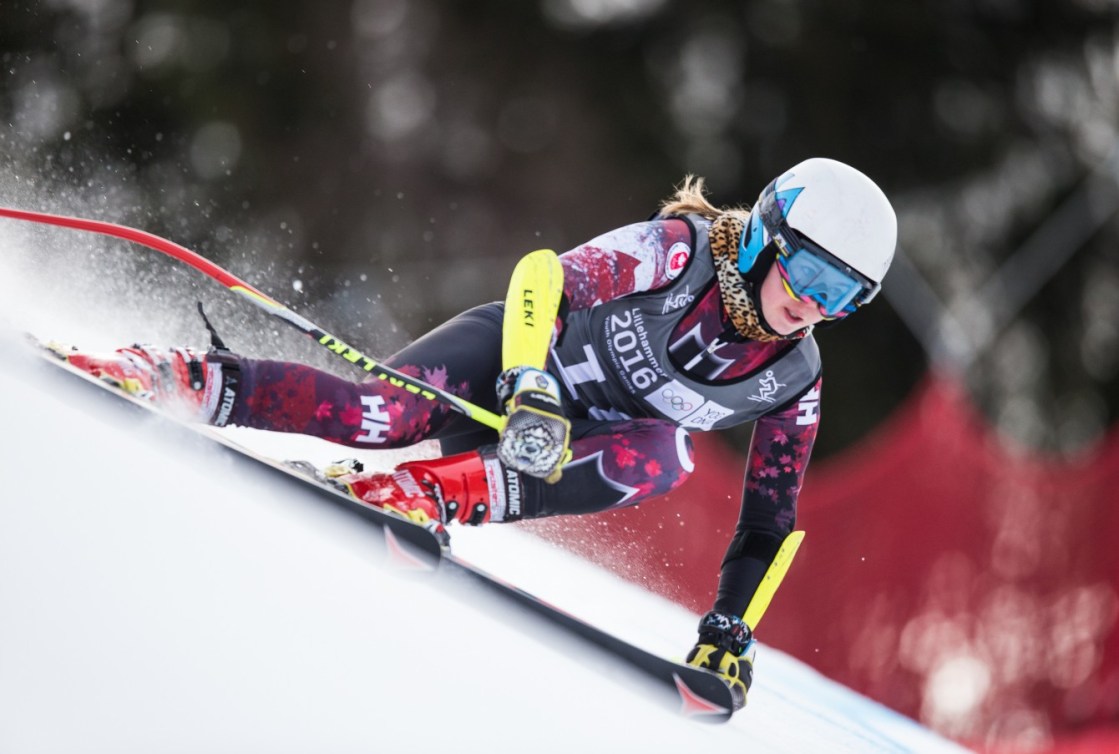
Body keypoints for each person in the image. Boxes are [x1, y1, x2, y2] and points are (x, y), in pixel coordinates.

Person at [56, 157, 897, 711]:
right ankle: (182, 377)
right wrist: (529, 379)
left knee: (664, 454)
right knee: (376, 417)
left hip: (553, 446)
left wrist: (728, 629)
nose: (816, 304)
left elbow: (767, 517)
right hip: (508, 362)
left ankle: (423, 495)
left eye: (845, 295)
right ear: (764, 237)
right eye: (813, 272)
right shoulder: (679, 254)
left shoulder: (793, 378)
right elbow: (544, 277)